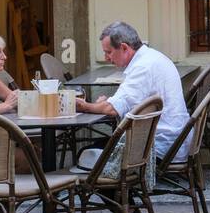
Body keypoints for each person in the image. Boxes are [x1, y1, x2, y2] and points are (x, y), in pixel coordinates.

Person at [76, 22, 191, 160]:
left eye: (109, 52)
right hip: (172, 141)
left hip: (159, 147)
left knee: (85, 153)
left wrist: (84, 106)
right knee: (94, 148)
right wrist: (107, 104)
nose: (106, 58)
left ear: (124, 47)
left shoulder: (142, 67)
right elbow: (127, 100)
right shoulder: (151, 57)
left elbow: (112, 109)